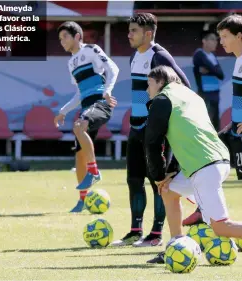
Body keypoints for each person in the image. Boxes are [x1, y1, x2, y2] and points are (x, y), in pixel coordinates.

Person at [144, 65, 242, 266]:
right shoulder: (191, 96)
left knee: (221, 227)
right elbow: (187, 134)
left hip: (203, 167)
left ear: (161, 82)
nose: (147, 90)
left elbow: (153, 142)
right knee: (169, 191)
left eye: (149, 84)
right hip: (217, 160)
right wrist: (169, 174)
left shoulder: (162, 100)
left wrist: (157, 176)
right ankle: (176, 244)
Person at [183, 15, 242, 232]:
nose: (221, 41)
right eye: (220, 36)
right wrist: (233, 125)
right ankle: (206, 211)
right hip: (238, 129)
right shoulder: (240, 58)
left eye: (225, 36)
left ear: (240, 36)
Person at [110, 13, 191, 248]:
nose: (129, 34)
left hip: (154, 131)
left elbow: (183, 85)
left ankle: (155, 235)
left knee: (158, 181)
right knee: (134, 180)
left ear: (148, 33)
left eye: (133, 30)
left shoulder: (159, 56)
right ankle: (135, 231)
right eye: (129, 30)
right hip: (136, 128)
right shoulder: (135, 56)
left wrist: (166, 122)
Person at [54, 21, 119, 212]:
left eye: (65, 37)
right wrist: (63, 111)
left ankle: (94, 171)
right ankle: (82, 200)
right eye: (59, 39)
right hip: (86, 108)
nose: (62, 41)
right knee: (79, 155)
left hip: (100, 103)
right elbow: (79, 94)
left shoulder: (91, 50)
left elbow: (113, 69)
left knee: (78, 126)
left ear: (77, 36)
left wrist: (107, 91)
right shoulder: (70, 63)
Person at [193, 30, 224, 130]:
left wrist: (210, 70)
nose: (216, 42)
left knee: (215, 123)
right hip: (205, 93)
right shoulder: (199, 54)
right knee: (206, 121)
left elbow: (221, 74)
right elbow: (216, 70)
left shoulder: (213, 56)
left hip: (215, 93)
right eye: (212, 39)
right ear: (204, 41)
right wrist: (213, 69)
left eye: (216, 40)